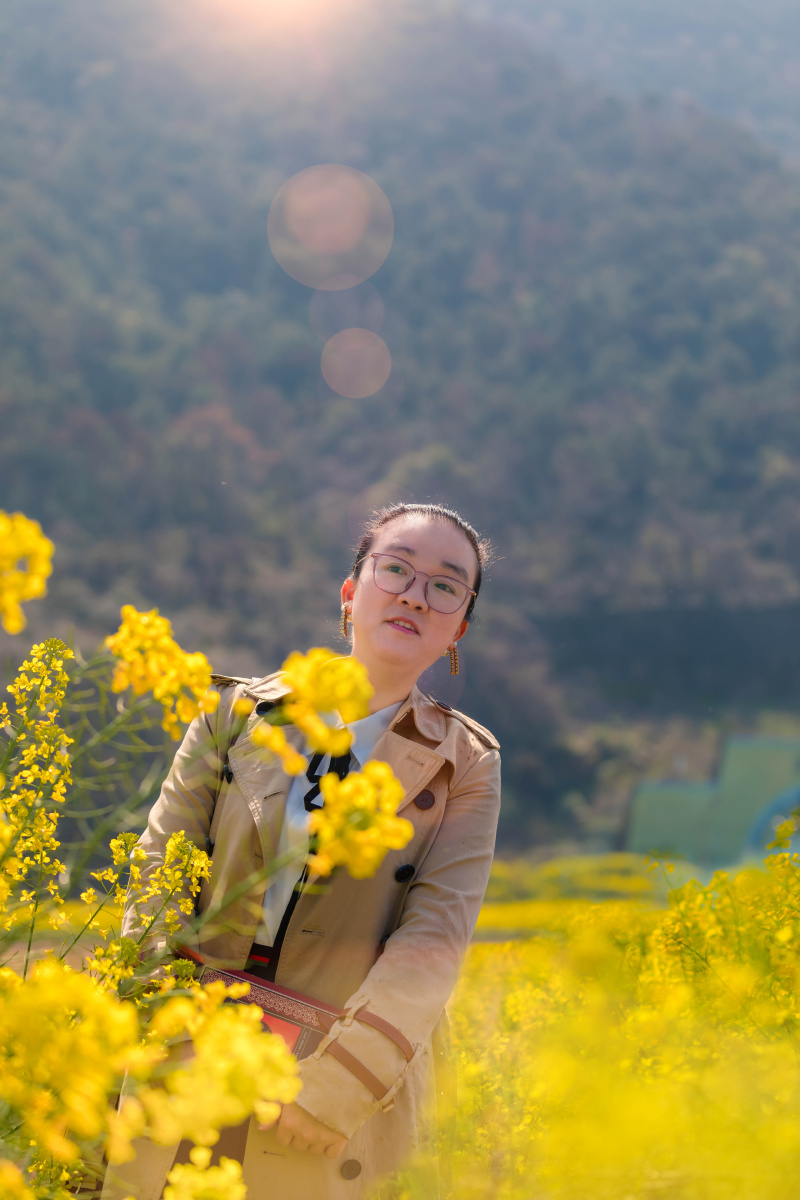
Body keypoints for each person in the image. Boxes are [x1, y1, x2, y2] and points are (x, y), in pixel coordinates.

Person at [108, 502, 501, 1200]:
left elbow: (433, 941)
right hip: (188, 1057)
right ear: (351, 592)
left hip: (321, 1099)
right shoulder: (233, 714)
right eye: (396, 569)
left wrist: (337, 1089)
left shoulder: (464, 763)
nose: (415, 595)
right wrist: (172, 1029)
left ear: (458, 630)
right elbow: (158, 872)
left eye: (446, 586)